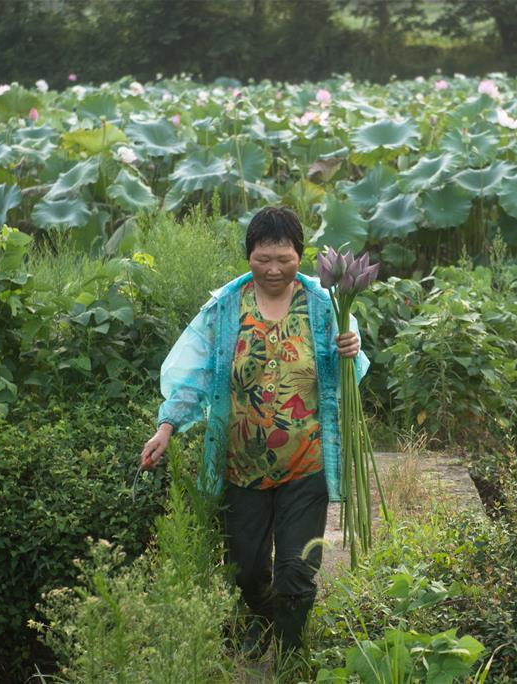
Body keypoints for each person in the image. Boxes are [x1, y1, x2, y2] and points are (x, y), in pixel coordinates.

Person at [139, 205, 369, 661]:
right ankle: (262, 619)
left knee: (296, 571)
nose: (273, 268)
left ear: (300, 257)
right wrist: (167, 427)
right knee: (245, 571)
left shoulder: (325, 307)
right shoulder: (225, 309)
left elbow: (351, 372)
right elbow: (195, 375)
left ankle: (287, 655)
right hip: (239, 465)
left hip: (306, 462)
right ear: (249, 256)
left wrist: (350, 348)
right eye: (263, 258)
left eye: (284, 258)